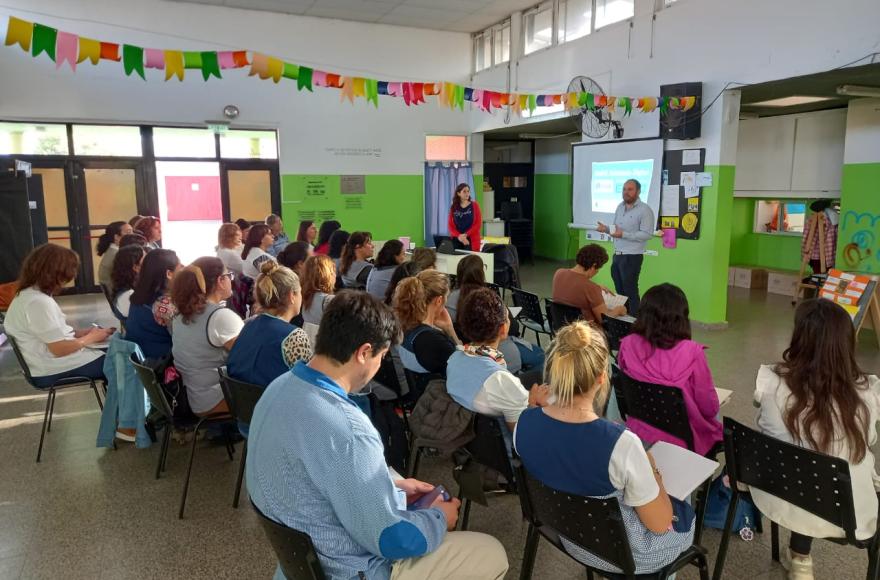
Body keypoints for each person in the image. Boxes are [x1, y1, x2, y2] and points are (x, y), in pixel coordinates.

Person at [246, 290, 509, 580]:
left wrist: (393, 489)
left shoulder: (277, 388)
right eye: (381, 356)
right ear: (363, 352)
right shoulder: (349, 428)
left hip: (299, 566)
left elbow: (323, 476)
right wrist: (437, 518)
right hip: (350, 570)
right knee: (491, 552)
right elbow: (390, 539)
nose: (379, 365)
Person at [515, 321, 695, 575]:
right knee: (683, 502)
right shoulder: (621, 444)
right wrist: (653, 471)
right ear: (602, 377)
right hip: (623, 556)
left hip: (571, 537)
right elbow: (659, 524)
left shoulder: (523, 423)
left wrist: (536, 407)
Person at [753, 298, 880, 579]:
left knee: (805, 461)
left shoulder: (772, 383)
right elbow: (865, 443)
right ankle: (799, 555)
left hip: (783, 495)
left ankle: (800, 557)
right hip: (846, 513)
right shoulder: (867, 395)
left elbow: (766, 430)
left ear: (799, 338)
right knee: (830, 464)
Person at [618, 283, 722, 455]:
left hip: (639, 426)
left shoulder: (628, 343)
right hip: (682, 438)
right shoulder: (692, 352)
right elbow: (709, 408)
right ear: (682, 318)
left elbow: (624, 384)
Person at [4, 244, 115, 388]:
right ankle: (128, 409)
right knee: (126, 362)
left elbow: (50, 334)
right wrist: (90, 338)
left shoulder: (28, 296)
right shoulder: (38, 303)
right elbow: (59, 349)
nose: (73, 276)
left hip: (50, 363)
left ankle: (120, 405)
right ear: (56, 272)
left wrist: (82, 333)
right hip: (53, 368)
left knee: (117, 353)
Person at [445, 288, 548, 434]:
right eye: (507, 317)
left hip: (474, 438)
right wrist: (534, 404)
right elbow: (521, 435)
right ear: (503, 328)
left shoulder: (454, 360)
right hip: (508, 446)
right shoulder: (501, 380)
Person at [227, 262, 311, 435]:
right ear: (292, 295)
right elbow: (308, 387)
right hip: (276, 426)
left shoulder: (247, 326)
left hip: (246, 420)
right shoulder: (295, 336)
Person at [170, 257, 244, 417]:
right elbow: (248, 356)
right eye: (229, 275)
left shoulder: (181, 313)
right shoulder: (220, 316)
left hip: (192, 395)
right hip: (213, 399)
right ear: (220, 281)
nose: (231, 280)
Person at [596, 178, 654, 315]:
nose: (626, 192)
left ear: (638, 191)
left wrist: (624, 235)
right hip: (617, 255)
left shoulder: (645, 210)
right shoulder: (620, 207)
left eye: (630, 189)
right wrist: (606, 229)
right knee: (620, 292)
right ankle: (623, 320)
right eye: (624, 189)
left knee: (630, 291)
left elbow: (647, 234)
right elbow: (617, 229)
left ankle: (635, 322)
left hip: (632, 257)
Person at [393, 269, 460, 383]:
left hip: (422, 394)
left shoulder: (404, 325)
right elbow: (463, 367)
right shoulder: (434, 341)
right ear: (439, 300)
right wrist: (451, 331)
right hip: (439, 395)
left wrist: (447, 327)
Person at [125, 249, 181, 359]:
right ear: (169, 274)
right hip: (162, 362)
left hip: (142, 359)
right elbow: (184, 338)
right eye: (180, 268)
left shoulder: (139, 296)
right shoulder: (165, 305)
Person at [552, 244, 627, 325]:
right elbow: (604, 319)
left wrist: (596, 287)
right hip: (585, 333)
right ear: (594, 265)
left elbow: (574, 287)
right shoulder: (591, 288)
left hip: (561, 328)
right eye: (598, 268)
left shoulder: (559, 273)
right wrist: (618, 310)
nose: (597, 272)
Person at [109, 244, 146, 320]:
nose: (149, 263)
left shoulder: (128, 287)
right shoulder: (128, 295)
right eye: (145, 260)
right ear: (136, 267)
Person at [300, 255, 336, 326]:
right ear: (327, 274)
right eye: (333, 271)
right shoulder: (330, 300)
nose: (335, 274)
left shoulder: (305, 297)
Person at [96, 221, 133, 288]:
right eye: (128, 232)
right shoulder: (118, 254)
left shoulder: (113, 251)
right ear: (116, 237)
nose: (133, 235)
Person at [447, 183, 482, 251]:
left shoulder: (475, 205)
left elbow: (478, 224)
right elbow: (450, 225)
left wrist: (465, 235)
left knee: (470, 260)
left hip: (471, 239)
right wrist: (459, 236)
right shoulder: (454, 207)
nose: (467, 193)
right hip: (457, 239)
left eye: (468, 191)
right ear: (458, 193)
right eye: (464, 191)